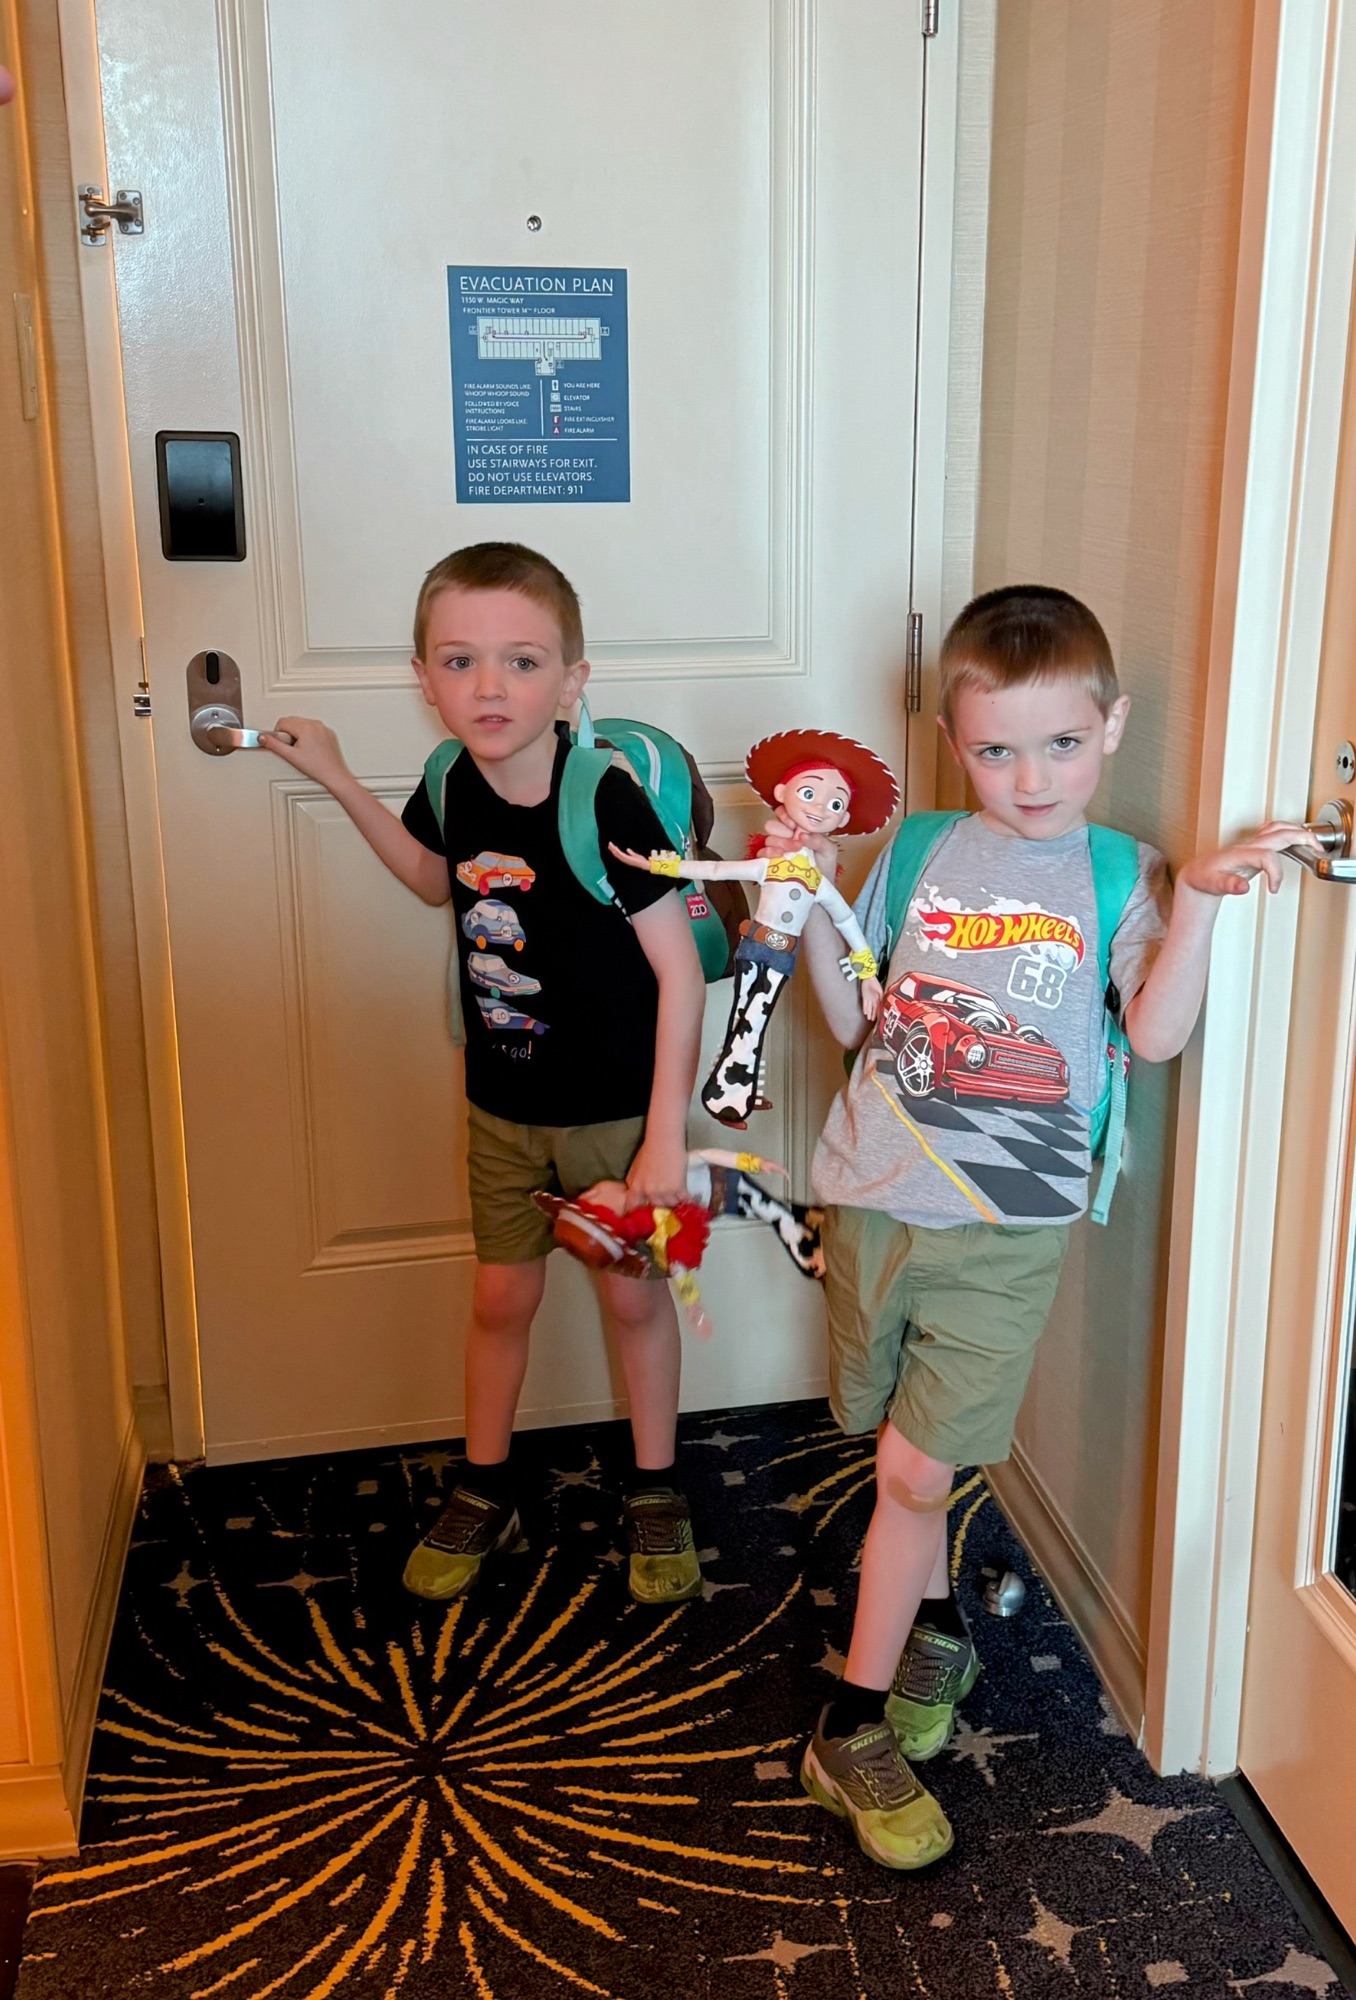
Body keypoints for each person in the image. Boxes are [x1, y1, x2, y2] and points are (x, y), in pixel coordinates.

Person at [770, 584, 1320, 1870]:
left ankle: (848, 1726)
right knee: (893, 1441)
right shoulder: (919, 851)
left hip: (1005, 1226)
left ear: (1110, 724)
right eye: (997, 749)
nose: (1031, 778)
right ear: (953, 742)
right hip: (870, 1189)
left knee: (917, 1470)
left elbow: (1153, 1034)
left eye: (1063, 743)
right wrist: (810, 908)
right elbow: (854, 1024)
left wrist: (1200, 902)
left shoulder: (1120, 871)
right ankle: (939, 1625)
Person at [261, 542, 708, 1608]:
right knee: (501, 1296)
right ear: (425, 677)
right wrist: (335, 777)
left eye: (522, 661)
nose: (490, 686)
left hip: (618, 1115)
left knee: (635, 1301)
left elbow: (681, 974)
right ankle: (486, 1485)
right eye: (460, 661)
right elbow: (434, 880)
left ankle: (657, 1489)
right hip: (502, 1106)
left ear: (572, 678)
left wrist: (664, 1136)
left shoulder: (604, 798)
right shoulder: (448, 778)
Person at [610, 729, 898, 1126]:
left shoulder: (816, 881)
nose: (819, 807)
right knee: (748, 1018)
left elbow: (846, 921)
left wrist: (867, 975)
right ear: (782, 793)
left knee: (752, 1020)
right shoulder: (770, 866)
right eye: (809, 793)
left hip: (779, 957)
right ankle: (731, 1091)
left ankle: (733, 1089)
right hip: (758, 948)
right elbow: (715, 870)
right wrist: (657, 864)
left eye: (834, 803)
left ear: (844, 818)